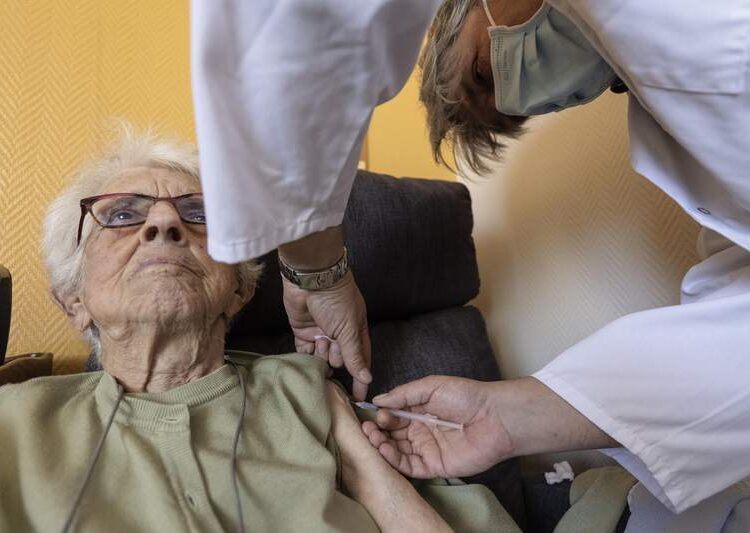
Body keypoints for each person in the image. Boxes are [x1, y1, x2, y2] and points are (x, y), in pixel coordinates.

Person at [191, 0, 750, 525]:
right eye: (123, 214)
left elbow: (304, 25)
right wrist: (506, 416)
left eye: (482, 72)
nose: (160, 228)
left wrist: (314, 265)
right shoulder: (689, 144)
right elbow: (734, 346)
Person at [0, 127, 508, 532]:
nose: (163, 224)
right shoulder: (15, 422)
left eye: (198, 212)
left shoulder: (304, 392)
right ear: (74, 300)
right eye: (122, 214)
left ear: (239, 289)